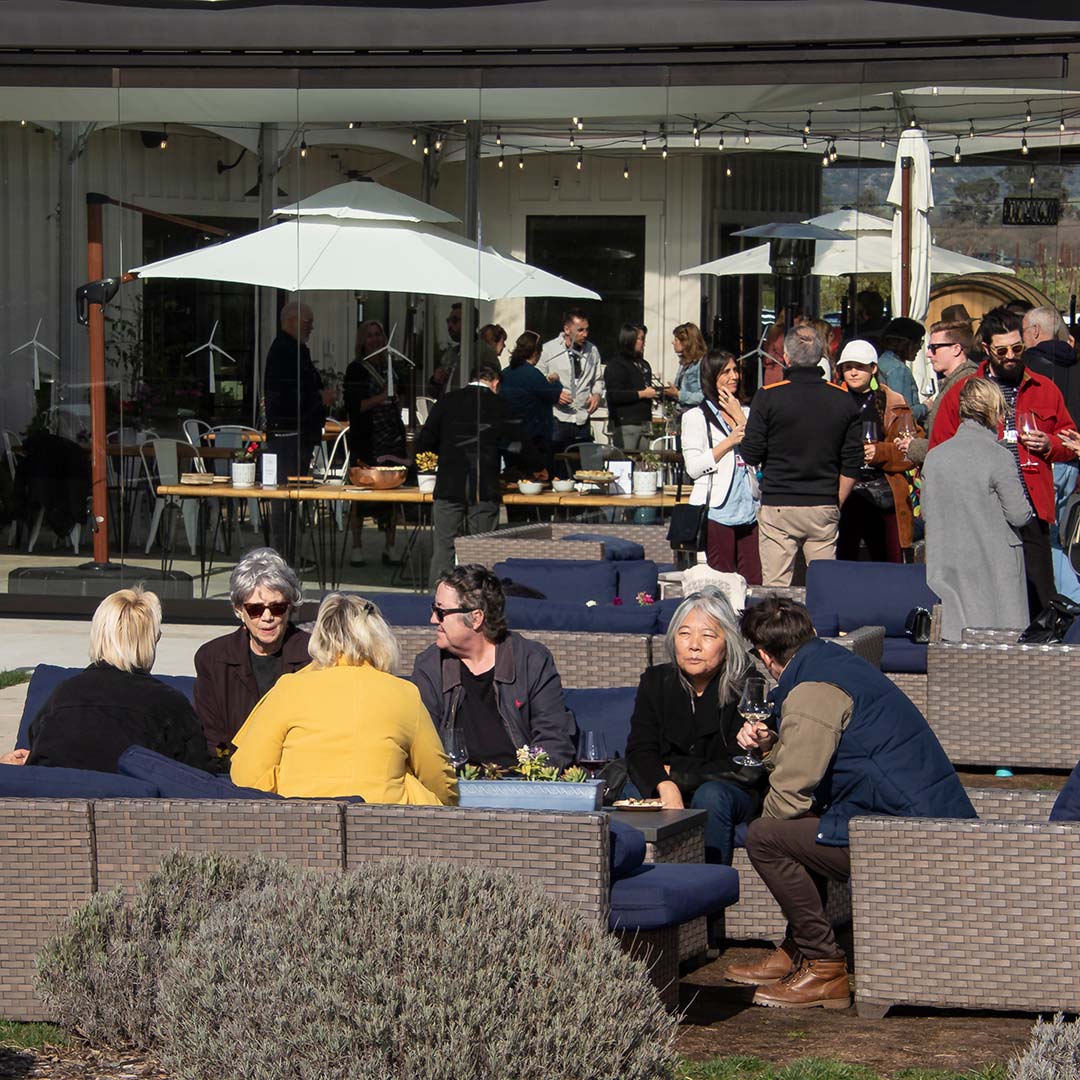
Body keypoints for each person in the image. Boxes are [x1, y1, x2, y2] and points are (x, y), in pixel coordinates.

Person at [727, 598, 975, 1009]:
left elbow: (790, 795)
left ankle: (824, 967)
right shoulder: (835, 665)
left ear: (765, 656)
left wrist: (769, 838)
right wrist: (773, 747)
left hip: (907, 834)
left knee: (767, 837)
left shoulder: (812, 691)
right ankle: (800, 948)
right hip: (917, 818)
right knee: (798, 827)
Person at [230, 593, 456, 804]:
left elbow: (246, 775)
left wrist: (288, 783)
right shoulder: (403, 694)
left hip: (302, 828)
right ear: (378, 638)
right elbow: (438, 778)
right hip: (385, 830)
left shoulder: (289, 689)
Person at [930, 306, 1076, 618]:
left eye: (1018, 348)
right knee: (987, 594)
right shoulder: (962, 392)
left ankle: (1039, 660)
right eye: (1002, 350)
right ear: (986, 349)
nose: (1011, 355)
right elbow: (940, 449)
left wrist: (1050, 444)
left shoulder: (1044, 389)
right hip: (980, 511)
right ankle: (990, 658)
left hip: (1031, 505)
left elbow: (1070, 440)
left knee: (1041, 594)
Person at [625, 589, 764, 865]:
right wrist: (665, 784)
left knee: (711, 795)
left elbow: (741, 770)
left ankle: (710, 891)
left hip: (730, 792)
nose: (694, 645)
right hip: (674, 784)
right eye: (684, 633)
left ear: (727, 643)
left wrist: (675, 773)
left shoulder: (746, 685)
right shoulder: (656, 681)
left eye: (708, 636)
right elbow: (640, 750)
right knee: (633, 790)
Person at [25, 588, 217, 774]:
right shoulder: (170, 704)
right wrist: (225, 751)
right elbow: (198, 771)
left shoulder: (62, 695)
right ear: (150, 641)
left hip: (54, 803)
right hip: (136, 804)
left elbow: (36, 751)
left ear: (98, 636)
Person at [412, 565, 577, 769]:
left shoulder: (530, 661)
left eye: (441, 611)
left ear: (476, 618)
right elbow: (423, 746)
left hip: (523, 789)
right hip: (455, 788)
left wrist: (530, 782)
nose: (433, 619)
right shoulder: (430, 666)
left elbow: (554, 740)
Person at [739, 325, 864, 587]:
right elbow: (853, 462)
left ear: (786, 357)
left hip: (779, 502)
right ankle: (821, 628)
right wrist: (835, 499)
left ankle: (777, 627)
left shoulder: (769, 396)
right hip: (823, 502)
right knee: (824, 586)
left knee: (776, 588)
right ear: (821, 355)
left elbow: (750, 454)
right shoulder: (843, 400)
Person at [922, 378, 1032, 640]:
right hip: (993, 566)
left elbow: (927, 511)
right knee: (1001, 642)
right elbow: (1018, 513)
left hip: (948, 564)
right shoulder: (999, 457)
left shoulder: (935, 456)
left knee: (956, 638)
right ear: (994, 410)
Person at [193, 548, 311, 757]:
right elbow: (213, 738)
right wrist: (228, 763)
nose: (267, 617)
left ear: (290, 608)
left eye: (277, 608)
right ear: (239, 610)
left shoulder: (313, 656)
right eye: (255, 609)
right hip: (232, 771)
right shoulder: (212, 658)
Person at [415, 360, 523, 588]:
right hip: (484, 485)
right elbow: (517, 445)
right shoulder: (501, 404)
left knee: (444, 548)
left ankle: (438, 600)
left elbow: (425, 441)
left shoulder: (446, 401)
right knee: (482, 548)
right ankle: (479, 600)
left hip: (448, 483)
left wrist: (446, 453)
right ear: (495, 382)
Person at [833, 340, 917, 564]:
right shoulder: (831, 400)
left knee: (888, 562)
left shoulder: (894, 402)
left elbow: (911, 451)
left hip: (885, 493)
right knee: (845, 561)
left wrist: (880, 452)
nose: (852, 372)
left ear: (873, 368)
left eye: (859, 366)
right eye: (847, 366)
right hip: (843, 492)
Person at [682, 349, 761, 583]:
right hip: (717, 508)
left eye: (735, 370)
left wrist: (740, 418)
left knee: (753, 580)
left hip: (749, 507)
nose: (734, 376)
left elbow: (758, 452)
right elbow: (693, 468)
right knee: (721, 582)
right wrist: (728, 443)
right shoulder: (696, 417)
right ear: (711, 376)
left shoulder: (745, 412)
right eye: (726, 371)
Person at [343, 319, 407, 566]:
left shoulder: (392, 366)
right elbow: (354, 407)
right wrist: (382, 397)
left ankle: (390, 546)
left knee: (393, 493)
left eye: (378, 335)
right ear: (362, 340)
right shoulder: (356, 370)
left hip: (391, 437)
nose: (375, 340)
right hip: (367, 438)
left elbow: (402, 393)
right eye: (369, 336)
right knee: (361, 493)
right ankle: (357, 547)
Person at [263, 300, 332, 481]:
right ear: (291, 321)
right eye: (307, 323)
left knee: (294, 487)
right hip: (288, 435)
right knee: (287, 488)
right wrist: (319, 398)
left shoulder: (293, 350)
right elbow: (286, 395)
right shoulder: (284, 352)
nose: (311, 328)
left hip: (296, 434)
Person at [898, 319, 978, 467]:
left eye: (934, 348)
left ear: (956, 349)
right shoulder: (954, 381)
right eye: (928, 347)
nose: (928, 354)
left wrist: (915, 446)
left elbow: (963, 444)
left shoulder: (968, 385)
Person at [538, 308, 604, 473]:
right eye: (580, 330)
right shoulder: (548, 350)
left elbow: (598, 379)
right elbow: (538, 380)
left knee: (585, 467)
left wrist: (597, 394)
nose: (585, 334)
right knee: (556, 465)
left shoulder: (592, 351)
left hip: (582, 417)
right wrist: (554, 394)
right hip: (558, 418)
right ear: (567, 329)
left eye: (587, 329)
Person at [500, 330, 567, 476]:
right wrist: (555, 382)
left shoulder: (505, 373)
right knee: (535, 479)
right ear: (536, 352)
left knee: (514, 478)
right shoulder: (532, 374)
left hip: (509, 439)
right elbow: (552, 396)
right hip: (532, 439)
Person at [605, 323, 661, 451]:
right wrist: (642, 394)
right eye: (640, 339)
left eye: (643, 339)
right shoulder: (616, 365)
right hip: (626, 422)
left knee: (643, 462)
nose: (643, 343)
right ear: (629, 340)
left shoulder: (644, 365)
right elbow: (614, 395)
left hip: (645, 421)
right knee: (626, 461)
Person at [874, 317, 928, 425]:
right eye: (918, 342)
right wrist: (926, 407)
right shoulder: (898, 370)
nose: (919, 347)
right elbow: (903, 413)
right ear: (906, 343)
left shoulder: (881, 361)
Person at [428, 303, 462, 399]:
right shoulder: (451, 353)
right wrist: (435, 380)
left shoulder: (482, 352)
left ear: (470, 322)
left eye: (455, 321)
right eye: (448, 321)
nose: (450, 325)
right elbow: (435, 392)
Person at [672, 322, 708, 409]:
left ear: (686, 342)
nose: (672, 342)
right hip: (681, 413)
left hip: (695, 414)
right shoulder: (684, 364)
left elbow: (703, 396)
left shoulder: (701, 364)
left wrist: (679, 394)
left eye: (676, 340)